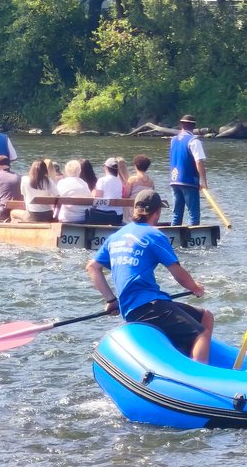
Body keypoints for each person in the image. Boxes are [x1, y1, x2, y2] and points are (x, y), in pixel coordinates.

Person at [86, 190, 213, 362]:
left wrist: (111, 300)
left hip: (131, 308)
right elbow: (179, 274)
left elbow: (92, 268)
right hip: (149, 307)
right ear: (157, 212)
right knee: (201, 334)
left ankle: (186, 357)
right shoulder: (154, 235)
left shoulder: (115, 236)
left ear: (134, 210)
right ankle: (197, 374)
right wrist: (196, 288)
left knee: (205, 316)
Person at [169, 115, 207, 227]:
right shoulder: (194, 141)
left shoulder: (173, 140)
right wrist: (203, 182)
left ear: (181, 125)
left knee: (176, 214)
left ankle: (174, 234)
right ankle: (192, 236)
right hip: (188, 180)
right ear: (194, 126)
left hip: (174, 180)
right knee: (193, 214)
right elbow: (199, 162)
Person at [55, 159, 93, 224]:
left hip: (67, 218)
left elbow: (56, 198)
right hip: (83, 217)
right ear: (79, 171)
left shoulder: (62, 183)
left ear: (66, 171)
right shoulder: (84, 184)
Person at [89, 159, 125, 226]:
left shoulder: (102, 180)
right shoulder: (120, 181)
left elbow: (98, 199)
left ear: (106, 168)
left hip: (103, 214)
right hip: (118, 215)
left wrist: (93, 193)